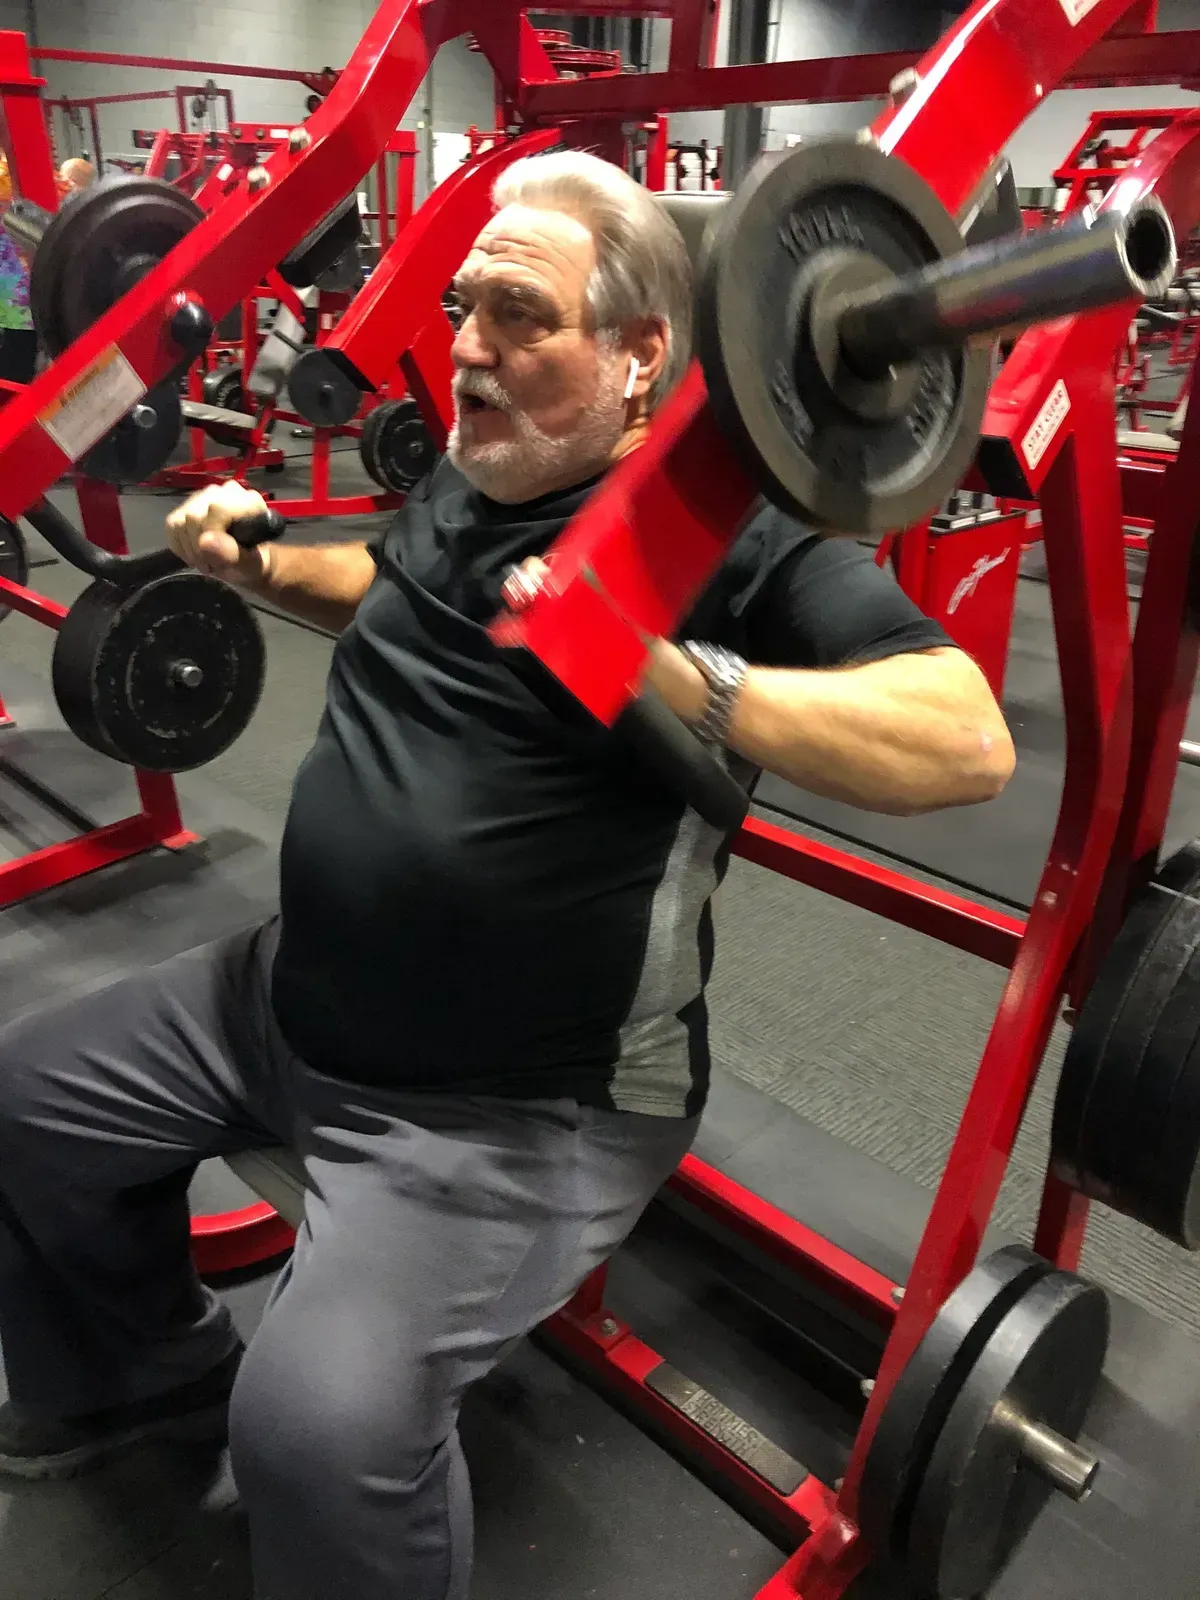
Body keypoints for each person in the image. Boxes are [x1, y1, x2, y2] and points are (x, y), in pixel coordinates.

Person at [0, 152, 1015, 1600]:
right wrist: (264, 567)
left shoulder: (734, 547)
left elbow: (964, 736)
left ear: (638, 355)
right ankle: (138, 1373)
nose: (466, 344)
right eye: (465, 302)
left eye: (517, 314)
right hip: (285, 999)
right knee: (28, 1098)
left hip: (512, 1108)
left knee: (319, 1428)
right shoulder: (479, 478)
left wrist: (666, 670)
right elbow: (388, 584)